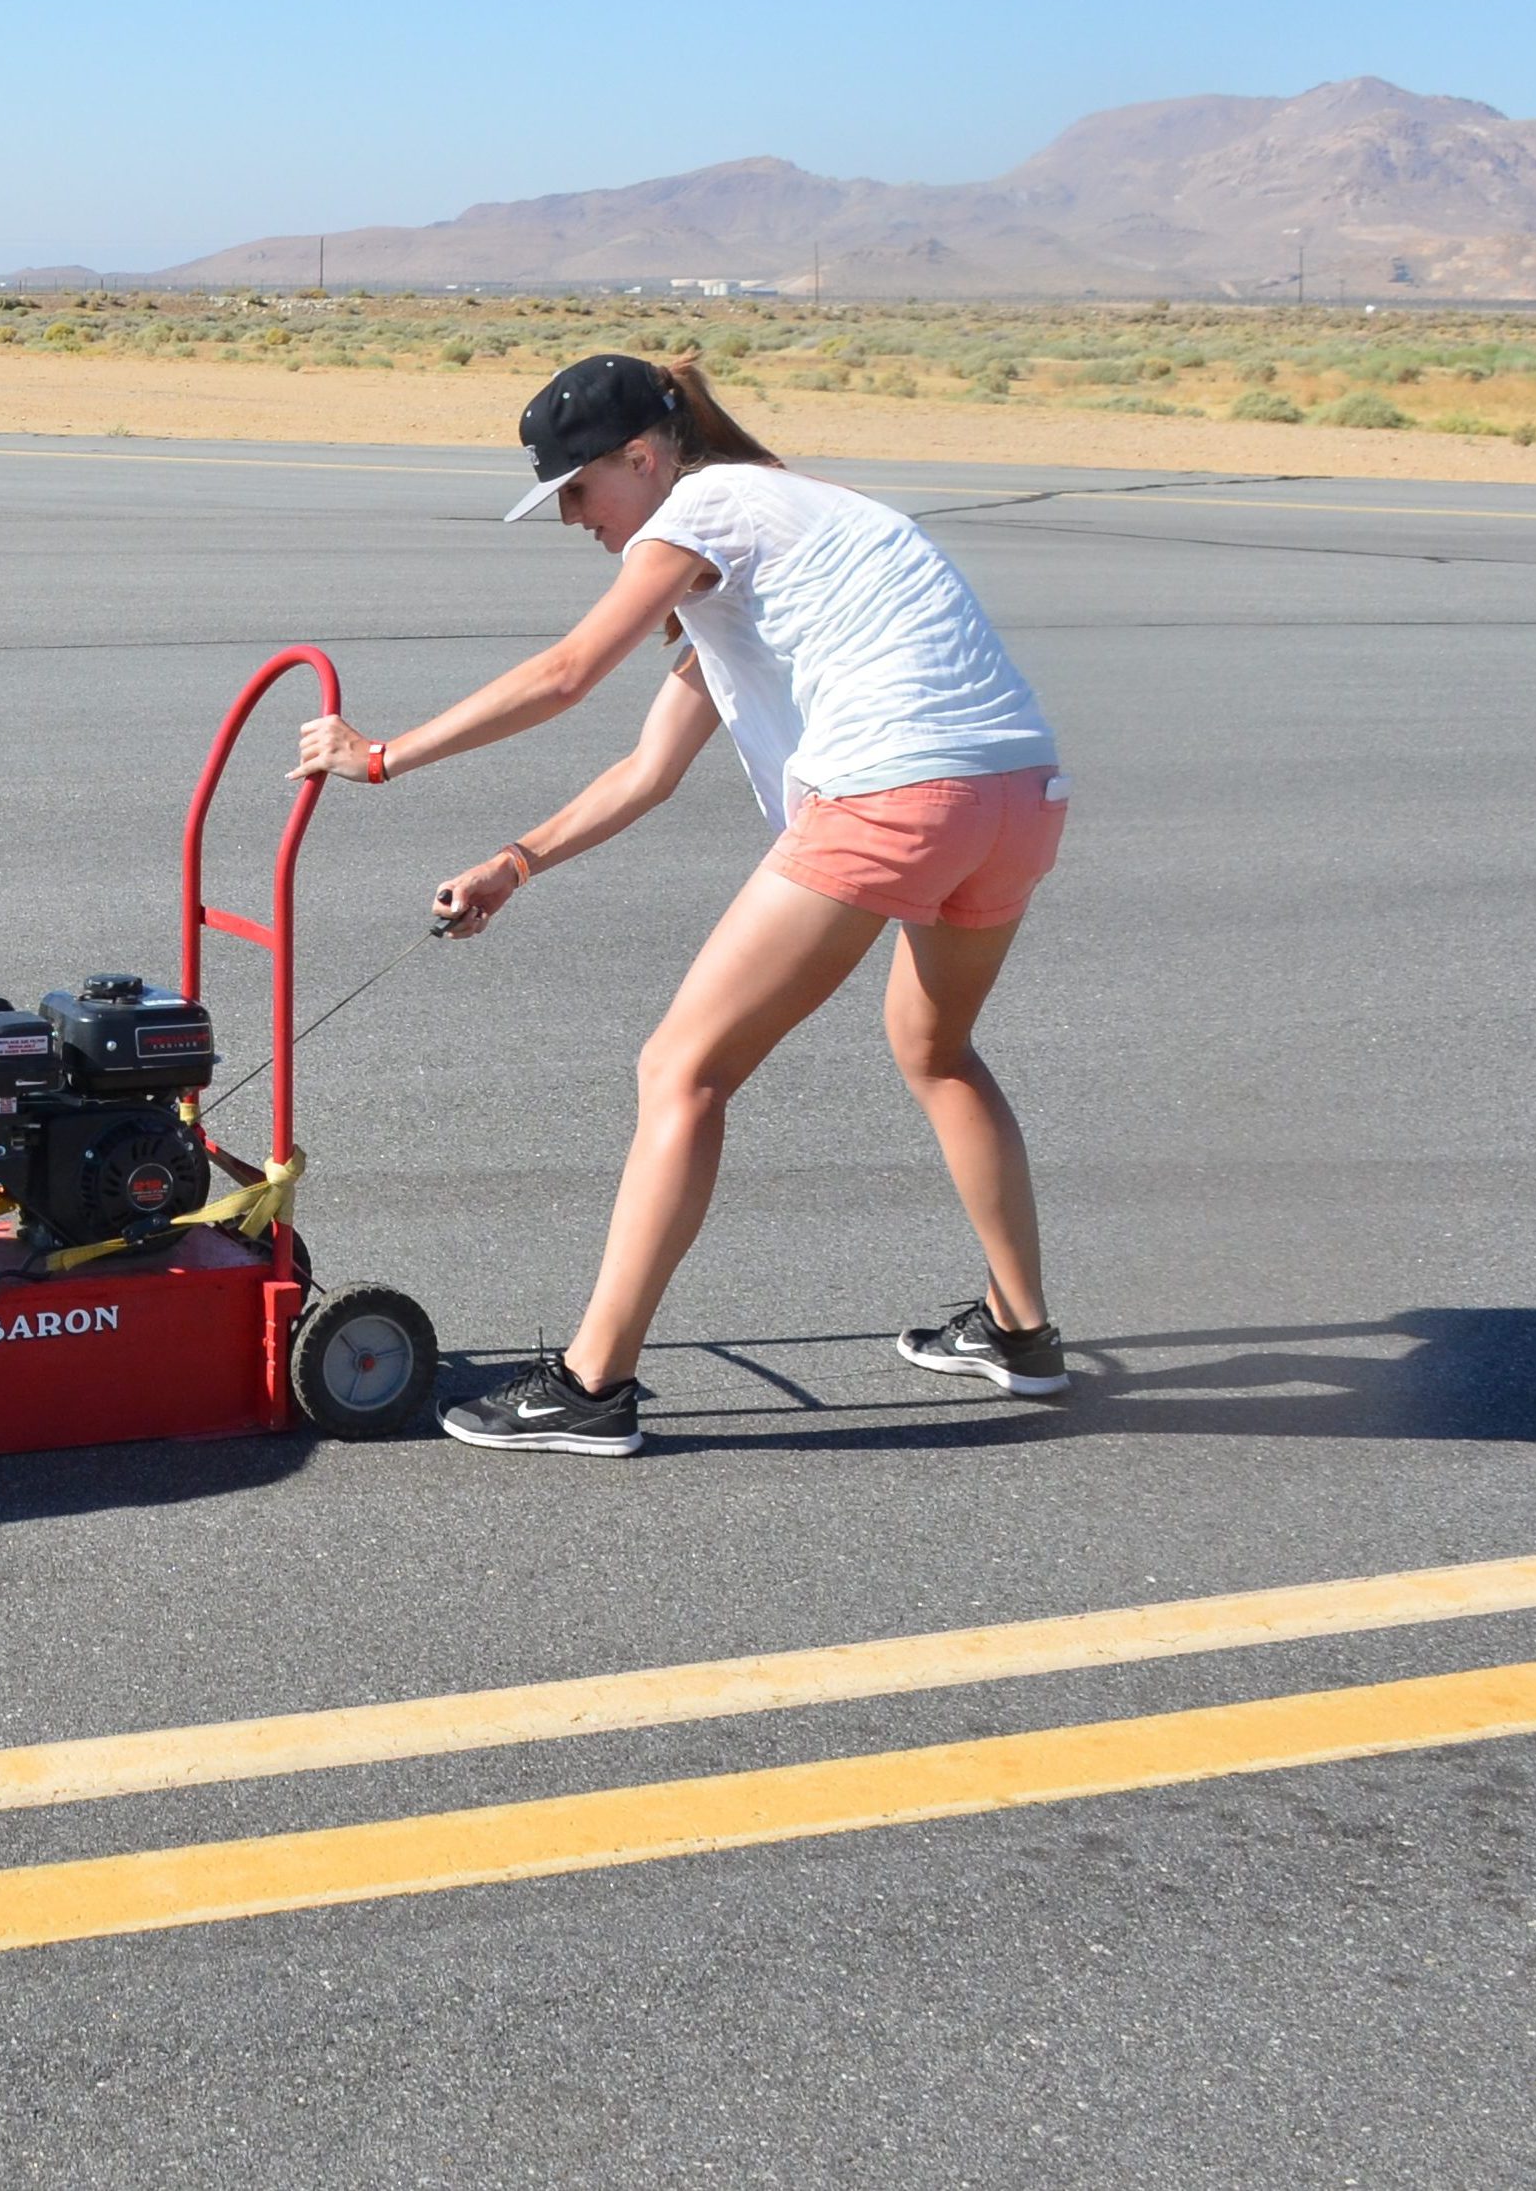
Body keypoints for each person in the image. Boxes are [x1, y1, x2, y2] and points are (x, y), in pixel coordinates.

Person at [294, 350, 1070, 1454]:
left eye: (577, 489)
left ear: (646, 457)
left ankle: (590, 1384)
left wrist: (379, 757)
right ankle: (1021, 1334)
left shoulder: (708, 508)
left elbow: (568, 673)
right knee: (935, 1049)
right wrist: (514, 864)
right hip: (1017, 798)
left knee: (680, 1069)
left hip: (895, 794)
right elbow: (646, 771)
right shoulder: (779, 533)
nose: (572, 518)